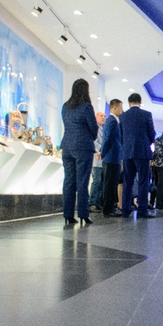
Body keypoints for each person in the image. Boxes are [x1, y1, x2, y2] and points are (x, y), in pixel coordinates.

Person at [60, 78, 99, 228]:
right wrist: (89, 138)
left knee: (69, 181)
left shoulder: (65, 106)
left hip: (67, 146)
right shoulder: (86, 106)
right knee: (83, 182)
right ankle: (83, 214)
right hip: (83, 146)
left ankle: (68, 214)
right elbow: (93, 127)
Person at [119, 93, 156, 218]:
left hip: (127, 153)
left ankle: (125, 210)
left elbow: (121, 135)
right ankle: (142, 210)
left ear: (129, 103)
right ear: (140, 102)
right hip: (142, 152)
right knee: (143, 181)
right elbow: (152, 134)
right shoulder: (146, 115)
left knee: (127, 182)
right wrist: (146, 143)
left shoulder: (123, 116)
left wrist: (126, 146)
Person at [100, 99, 123, 217]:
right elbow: (107, 139)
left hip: (114, 157)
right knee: (109, 184)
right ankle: (108, 209)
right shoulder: (112, 121)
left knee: (112, 183)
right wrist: (102, 153)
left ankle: (110, 208)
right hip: (111, 157)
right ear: (114, 108)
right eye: (120, 108)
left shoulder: (114, 121)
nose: (122, 110)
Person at [88, 111, 106, 213]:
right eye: (101, 116)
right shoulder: (95, 129)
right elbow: (95, 142)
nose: (103, 118)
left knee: (101, 182)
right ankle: (92, 203)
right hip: (97, 159)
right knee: (97, 181)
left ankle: (98, 203)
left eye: (104, 116)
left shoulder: (104, 129)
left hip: (103, 160)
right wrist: (101, 151)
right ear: (96, 117)